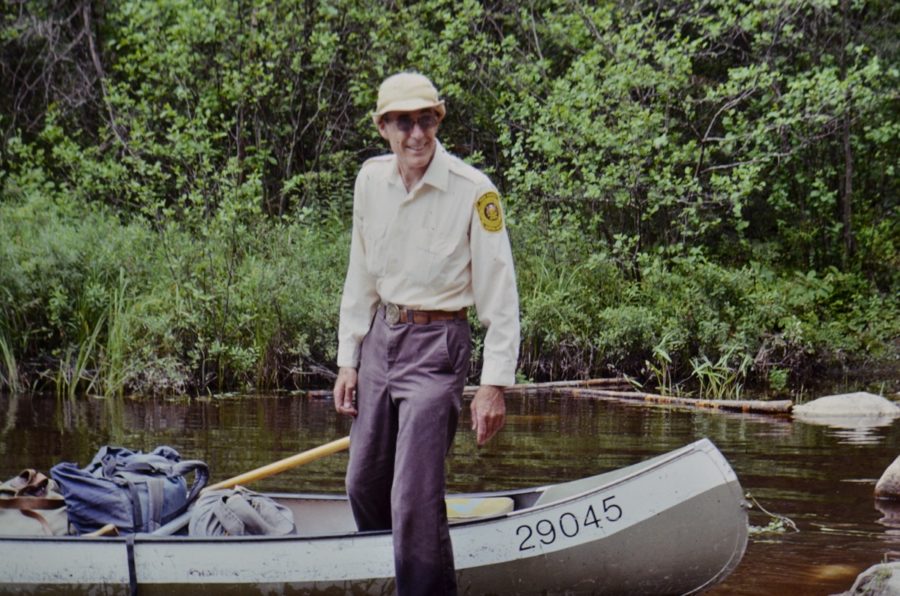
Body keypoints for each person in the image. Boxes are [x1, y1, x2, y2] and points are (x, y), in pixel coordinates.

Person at [332, 71, 520, 596]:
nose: (415, 134)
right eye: (402, 122)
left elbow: (500, 293)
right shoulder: (370, 180)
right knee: (364, 481)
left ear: (437, 121)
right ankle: (388, 578)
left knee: (414, 497)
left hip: (438, 348)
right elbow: (360, 273)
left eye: (425, 120)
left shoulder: (474, 190)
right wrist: (348, 358)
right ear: (384, 127)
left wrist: (493, 384)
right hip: (379, 343)